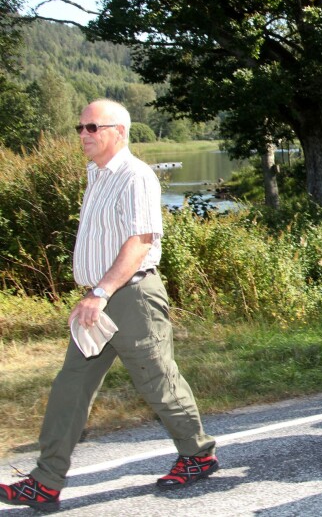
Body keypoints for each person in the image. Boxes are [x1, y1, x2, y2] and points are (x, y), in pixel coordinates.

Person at [0, 100, 218, 512]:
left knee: (158, 383)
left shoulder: (135, 177)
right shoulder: (97, 175)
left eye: (92, 127)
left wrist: (99, 293)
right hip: (98, 300)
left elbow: (140, 243)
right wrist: (94, 295)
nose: (83, 134)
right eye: (80, 127)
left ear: (119, 131)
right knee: (70, 386)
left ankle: (197, 454)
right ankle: (44, 483)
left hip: (131, 296)